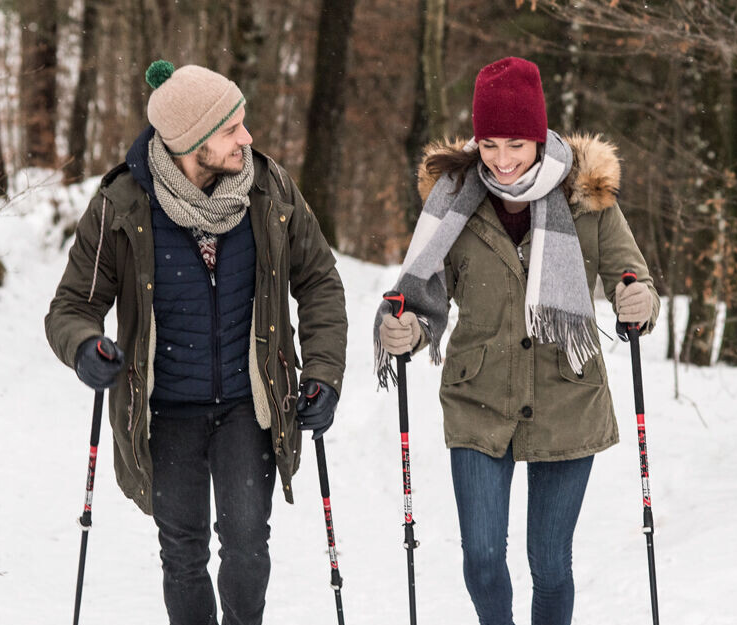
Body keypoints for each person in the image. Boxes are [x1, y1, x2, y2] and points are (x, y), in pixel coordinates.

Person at [46, 59, 347, 625]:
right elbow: (72, 306)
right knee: (182, 554)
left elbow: (320, 283)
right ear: (192, 142)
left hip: (247, 406)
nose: (247, 138)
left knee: (246, 547)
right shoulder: (122, 204)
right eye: (232, 129)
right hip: (166, 410)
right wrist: (85, 346)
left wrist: (324, 372)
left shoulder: (271, 190)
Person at [373, 56, 659, 625]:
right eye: (490, 145)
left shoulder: (588, 196)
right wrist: (404, 327)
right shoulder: (453, 200)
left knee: (549, 563)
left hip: (567, 398)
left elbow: (634, 277)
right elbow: (422, 293)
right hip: (479, 397)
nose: (502, 162)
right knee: (481, 558)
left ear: (540, 137)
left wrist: (638, 301)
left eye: (517, 145)